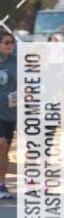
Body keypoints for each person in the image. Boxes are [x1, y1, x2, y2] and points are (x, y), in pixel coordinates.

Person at [0, 31, 17, 199]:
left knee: (4, 152)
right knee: (2, 143)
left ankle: (2, 184)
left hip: (11, 113)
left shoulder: (16, 62)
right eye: (6, 42)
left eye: (11, 42)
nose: (9, 45)